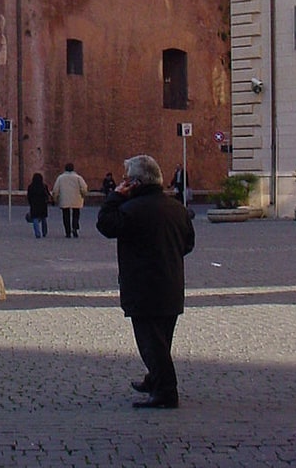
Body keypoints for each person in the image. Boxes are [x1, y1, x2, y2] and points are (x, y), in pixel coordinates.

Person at [97, 154, 195, 409]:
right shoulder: (177, 209)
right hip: (172, 283)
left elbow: (105, 225)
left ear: (135, 183)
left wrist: (115, 196)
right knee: (162, 340)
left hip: (143, 287)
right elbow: (188, 244)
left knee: (151, 343)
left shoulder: (131, 210)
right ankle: (154, 379)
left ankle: (166, 391)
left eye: (126, 180)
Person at [52, 162, 88, 238]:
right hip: (76, 198)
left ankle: (67, 231)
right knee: (76, 214)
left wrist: (55, 198)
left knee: (66, 216)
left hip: (64, 199)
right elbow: (84, 187)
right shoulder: (78, 177)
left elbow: (55, 189)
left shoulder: (61, 178)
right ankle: (75, 227)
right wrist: (83, 195)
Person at [26, 172, 51, 238]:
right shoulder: (44, 186)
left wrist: (30, 203)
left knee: (35, 219)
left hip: (34, 204)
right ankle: (44, 232)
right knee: (43, 219)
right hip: (43, 204)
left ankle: (37, 233)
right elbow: (47, 194)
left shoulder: (30, 186)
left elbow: (29, 196)